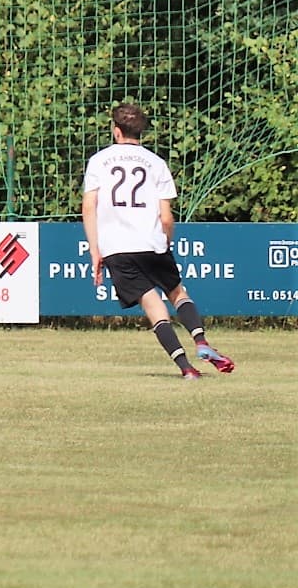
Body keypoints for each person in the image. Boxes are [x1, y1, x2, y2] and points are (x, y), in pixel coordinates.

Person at [82, 101, 235, 379]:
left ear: (116, 131)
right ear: (141, 132)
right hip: (152, 243)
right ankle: (201, 341)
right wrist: (165, 242)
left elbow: (89, 206)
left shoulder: (99, 161)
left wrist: (95, 250)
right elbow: (166, 217)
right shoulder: (156, 163)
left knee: (154, 307)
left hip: (117, 247)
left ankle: (187, 369)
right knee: (177, 293)